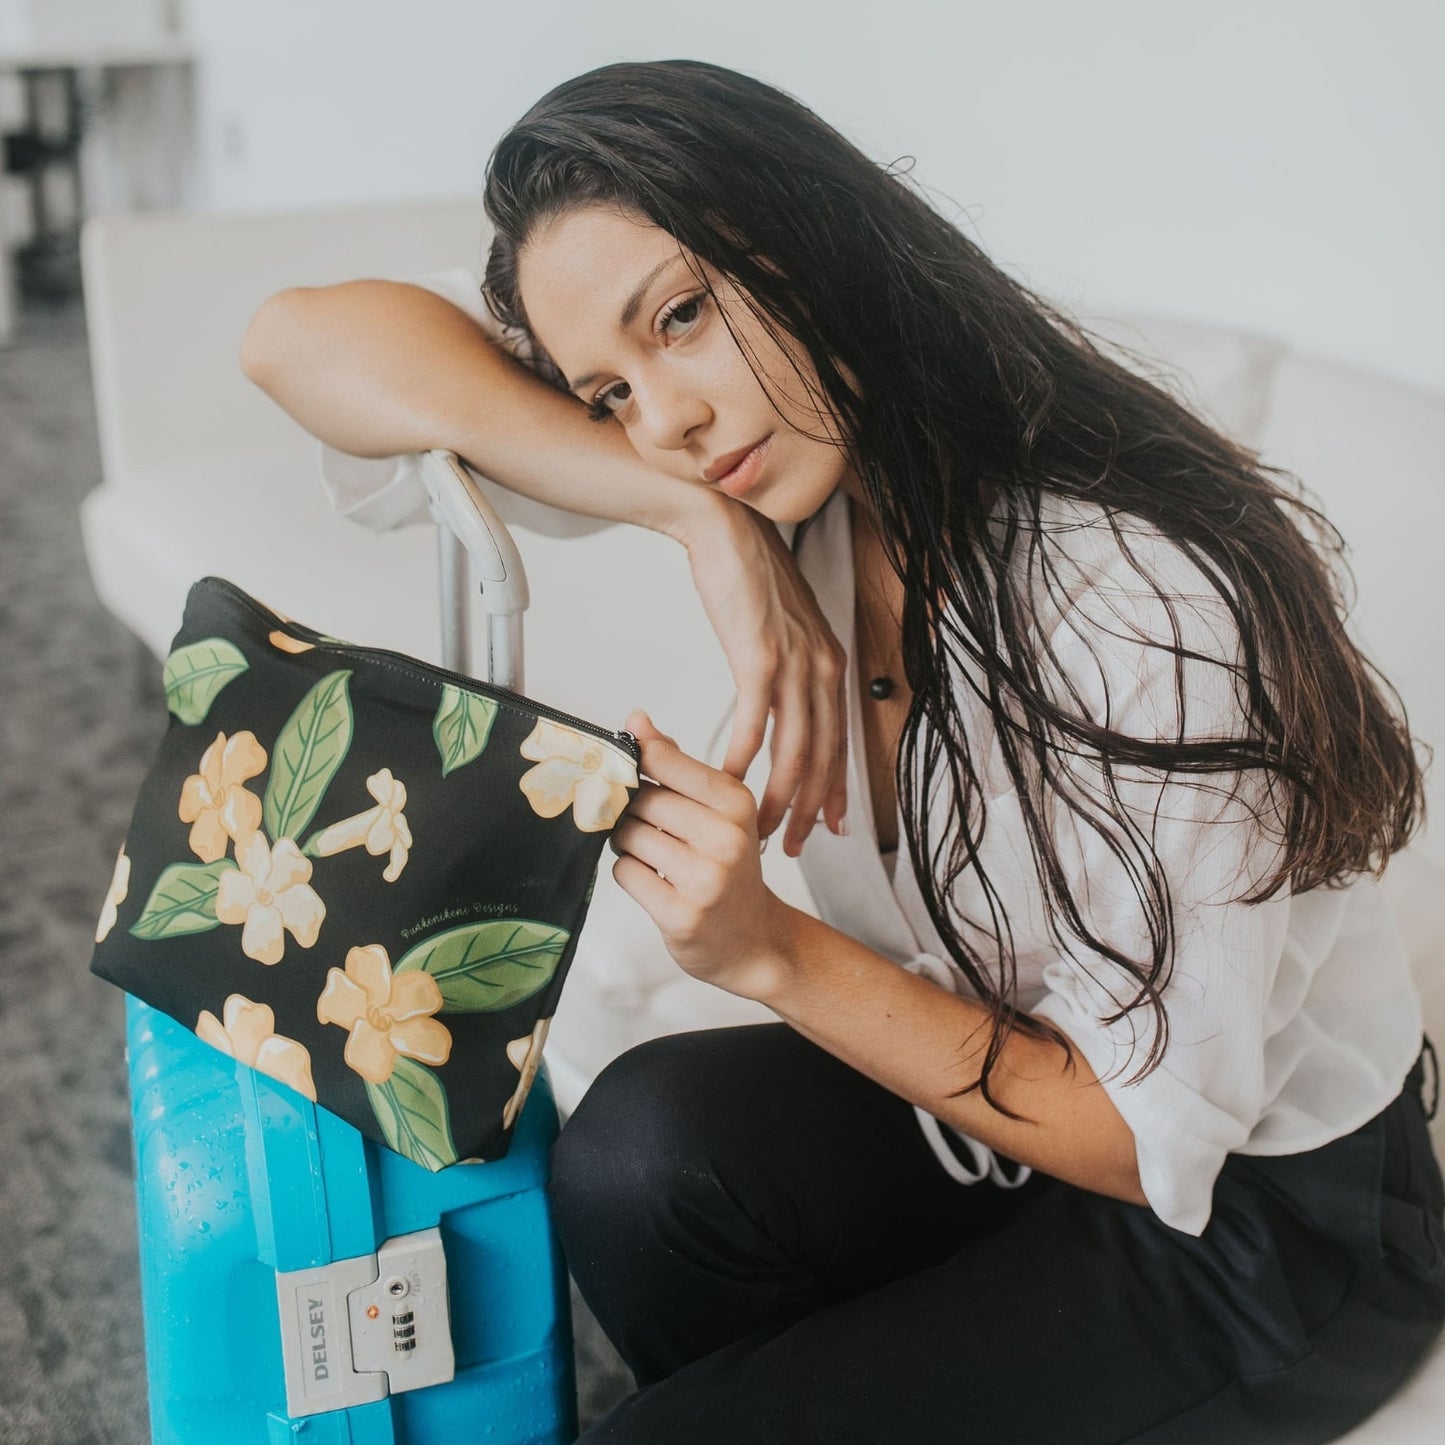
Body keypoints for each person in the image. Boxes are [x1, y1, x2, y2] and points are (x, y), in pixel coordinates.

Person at [241, 58, 1445, 1443]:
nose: (668, 421)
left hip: (1259, 1222)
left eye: (681, 318)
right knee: (634, 1152)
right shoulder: (778, 482)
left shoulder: (1128, 594)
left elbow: (1139, 1136)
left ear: (809, 237)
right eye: (610, 392)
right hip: (997, 1113)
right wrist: (690, 521)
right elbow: (299, 341)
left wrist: (764, 948)